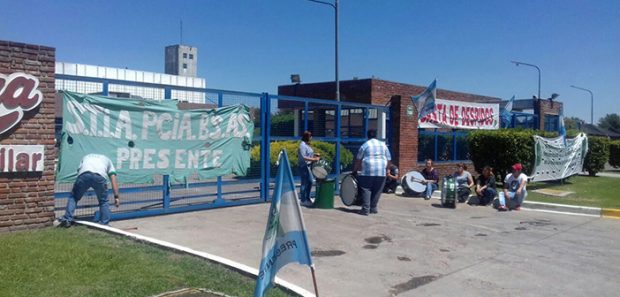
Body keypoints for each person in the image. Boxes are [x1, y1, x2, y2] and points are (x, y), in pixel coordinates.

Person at [59, 154, 120, 227]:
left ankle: (67, 219)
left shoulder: (86, 157)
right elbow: (113, 179)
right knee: (103, 201)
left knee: (74, 197)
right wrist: (116, 197)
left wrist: (79, 185)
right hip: (100, 177)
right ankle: (104, 223)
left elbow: (79, 171)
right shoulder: (108, 160)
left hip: (84, 174)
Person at [353, 130, 391, 215]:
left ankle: (365, 209)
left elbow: (358, 159)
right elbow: (389, 159)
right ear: (376, 136)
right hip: (381, 170)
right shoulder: (383, 145)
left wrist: (355, 170)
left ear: (368, 136)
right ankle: (373, 208)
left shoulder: (365, 145)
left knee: (366, 189)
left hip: (368, 170)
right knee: (377, 190)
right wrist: (387, 170)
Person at [298, 131, 320, 207]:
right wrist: (314, 159)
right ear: (307, 137)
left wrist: (314, 154)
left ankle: (307, 198)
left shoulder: (306, 145)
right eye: (310, 137)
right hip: (304, 166)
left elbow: (308, 154)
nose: (311, 138)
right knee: (305, 182)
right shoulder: (302, 145)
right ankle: (303, 200)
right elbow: (304, 157)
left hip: (308, 166)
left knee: (310, 182)